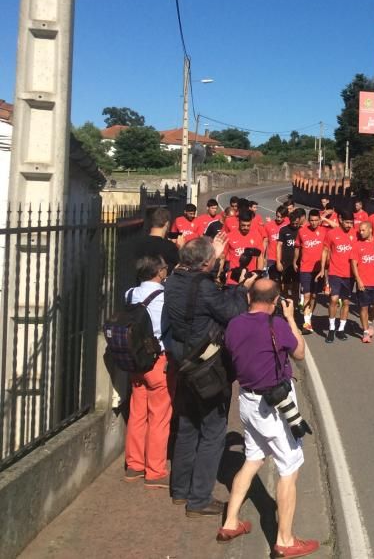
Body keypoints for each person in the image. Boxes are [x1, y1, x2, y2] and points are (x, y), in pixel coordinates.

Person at [218, 280, 320, 557]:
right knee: (289, 467)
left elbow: (231, 350)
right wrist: (290, 319)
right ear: (275, 301)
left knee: (252, 459)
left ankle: (230, 521)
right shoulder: (277, 325)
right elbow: (299, 353)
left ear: (249, 296)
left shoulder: (234, 324)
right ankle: (285, 540)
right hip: (274, 405)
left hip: (247, 401)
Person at [163, 236, 255, 517]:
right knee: (213, 432)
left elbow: (200, 292)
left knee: (188, 426)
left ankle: (180, 490)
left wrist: (211, 257)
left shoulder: (174, 279)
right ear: (205, 263)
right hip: (207, 366)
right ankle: (199, 499)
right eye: (212, 259)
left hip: (183, 362)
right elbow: (232, 312)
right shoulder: (203, 287)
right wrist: (242, 288)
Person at [123, 255, 173, 489]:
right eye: (164, 268)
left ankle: (134, 464)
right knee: (159, 416)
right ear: (158, 272)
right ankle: (155, 470)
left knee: (137, 412)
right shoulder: (164, 297)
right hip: (157, 359)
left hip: (136, 360)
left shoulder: (130, 293)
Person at [322, 210, 356, 343]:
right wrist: (322, 269)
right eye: (347, 222)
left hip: (350, 274)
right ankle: (331, 328)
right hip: (334, 272)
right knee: (334, 299)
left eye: (351, 223)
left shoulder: (355, 234)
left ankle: (341, 329)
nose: (349, 225)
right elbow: (325, 250)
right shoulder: (331, 234)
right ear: (340, 220)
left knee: (346, 302)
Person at [351, 221, 374, 344]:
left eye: (363, 230)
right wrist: (358, 280)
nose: (360, 232)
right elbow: (354, 264)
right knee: (363, 308)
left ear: (370, 230)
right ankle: (365, 332)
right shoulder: (357, 245)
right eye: (360, 230)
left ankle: (370, 320)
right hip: (363, 283)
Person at [296, 209, 328, 332]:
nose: (314, 223)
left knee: (314, 296)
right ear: (308, 220)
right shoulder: (302, 231)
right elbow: (298, 248)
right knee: (307, 295)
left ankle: (309, 316)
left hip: (318, 269)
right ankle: (307, 322)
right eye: (311, 220)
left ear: (319, 220)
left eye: (316, 220)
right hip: (305, 268)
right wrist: (295, 262)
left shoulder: (325, 232)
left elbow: (327, 249)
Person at [224, 211, 266, 286]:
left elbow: (260, 256)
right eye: (243, 225)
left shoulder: (256, 236)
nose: (246, 228)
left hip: (249, 280)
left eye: (248, 225)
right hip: (233, 279)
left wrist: (258, 274)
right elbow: (222, 257)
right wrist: (219, 274)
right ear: (239, 222)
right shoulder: (230, 236)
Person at [135, 207, 180, 273]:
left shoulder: (139, 243)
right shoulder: (168, 246)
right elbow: (181, 267)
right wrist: (180, 247)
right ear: (167, 224)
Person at [277, 208, 304, 304]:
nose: (295, 225)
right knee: (286, 284)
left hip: (298, 263)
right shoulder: (283, 230)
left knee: (296, 285)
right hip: (286, 262)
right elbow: (279, 245)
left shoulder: (302, 230)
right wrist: (278, 261)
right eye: (293, 223)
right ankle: (285, 302)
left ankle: (296, 304)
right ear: (290, 221)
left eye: (297, 223)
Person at [265, 205, 290, 281]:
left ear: (285, 217)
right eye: (277, 216)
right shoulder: (268, 225)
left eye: (281, 217)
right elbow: (265, 241)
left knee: (285, 281)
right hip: (272, 258)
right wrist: (264, 257)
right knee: (274, 281)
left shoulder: (288, 225)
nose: (278, 219)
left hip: (285, 257)